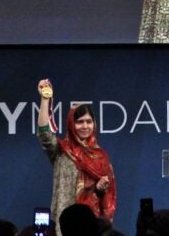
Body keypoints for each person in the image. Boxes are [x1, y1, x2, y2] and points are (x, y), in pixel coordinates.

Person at [36, 80, 116, 236]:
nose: (85, 126)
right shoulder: (61, 151)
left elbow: (108, 197)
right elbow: (44, 133)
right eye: (79, 122)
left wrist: (99, 189)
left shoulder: (101, 156)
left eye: (89, 122)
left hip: (91, 225)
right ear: (71, 124)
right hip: (64, 225)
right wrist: (45, 99)